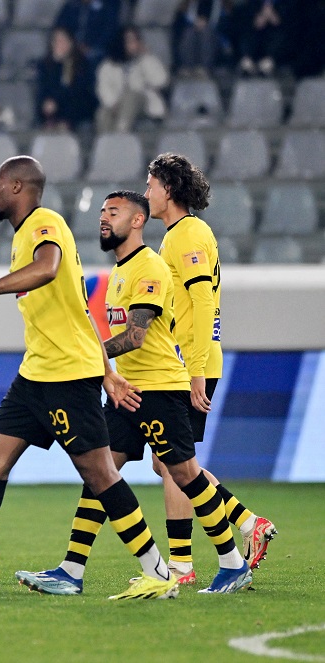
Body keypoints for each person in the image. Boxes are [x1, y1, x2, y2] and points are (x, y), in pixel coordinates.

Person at [0, 156, 177, 601]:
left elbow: (48, 267)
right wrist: (109, 372)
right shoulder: (21, 236)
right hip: (36, 374)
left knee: (100, 474)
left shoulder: (44, 223)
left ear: (16, 187)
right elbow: (79, 308)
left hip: (67, 375)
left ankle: (157, 571)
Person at [13, 190, 253, 596]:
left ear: (138, 220)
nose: (103, 218)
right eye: (102, 211)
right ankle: (71, 570)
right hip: (128, 392)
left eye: (114, 211)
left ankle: (232, 563)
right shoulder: (120, 272)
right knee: (99, 474)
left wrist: (87, 355)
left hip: (159, 389)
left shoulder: (149, 267)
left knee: (186, 475)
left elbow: (136, 336)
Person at [145, 153, 276, 580]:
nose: (146, 192)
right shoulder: (181, 234)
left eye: (151, 185)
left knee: (173, 461)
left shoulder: (187, 234)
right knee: (167, 463)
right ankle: (248, 523)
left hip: (190, 363)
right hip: (185, 361)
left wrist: (196, 368)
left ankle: (181, 563)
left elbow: (203, 303)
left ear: (169, 189)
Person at [95, 26, 168, 134]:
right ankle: (106, 140)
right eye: (130, 41)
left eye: (136, 40)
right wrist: (113, 103)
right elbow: (103, 88)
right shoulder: (108, 66)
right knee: (102, 113)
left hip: (144, 104)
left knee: (130, 97)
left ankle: (121, 134)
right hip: (117, 104)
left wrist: (146, 57)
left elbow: (161, 80)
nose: (134, 44)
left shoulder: (145, 60)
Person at [35, 27, 97, 131]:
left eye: (62, 40)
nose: (59, 44)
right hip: (52, 115)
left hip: (76, 113)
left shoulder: (80, 65)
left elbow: (75, 92)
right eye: (56, 41)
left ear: (70, 43)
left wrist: (57, 105)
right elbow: (43, 90)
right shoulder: (45, 66)